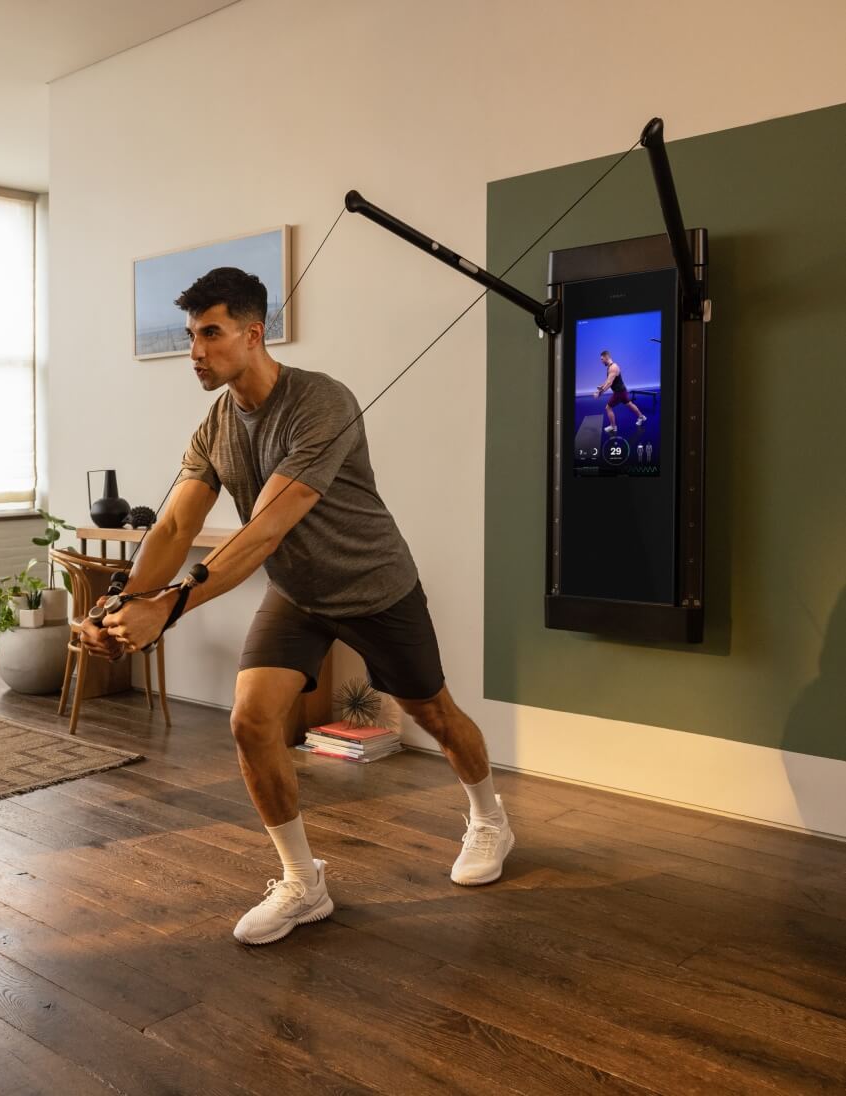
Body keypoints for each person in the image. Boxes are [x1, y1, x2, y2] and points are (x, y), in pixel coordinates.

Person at [80, 266, 515, 946]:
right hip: (297, 594)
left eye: (211, 334)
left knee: (433, 712)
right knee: (250, 721)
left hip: (374, 586)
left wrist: (166, 608)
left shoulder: (320, 403)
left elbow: (266, 527)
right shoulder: (215, 427)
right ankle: (301, 883)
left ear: (253, 335)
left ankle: (488, 817)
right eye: (191, 336)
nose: (195, 351)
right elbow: (171, 529)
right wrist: (123, 602)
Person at [595, 350, 647, 433]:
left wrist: (600, 393)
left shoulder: (613, 367)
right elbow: (608, 380)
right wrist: (601, 386)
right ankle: (641, 417)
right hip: (622, 391)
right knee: (630, 404)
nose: (601, 361)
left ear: (606, 357)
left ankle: (613, 427)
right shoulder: (610, 367)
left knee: (608, 408)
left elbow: (609, 383)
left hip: (619, 392)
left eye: (602, 359)